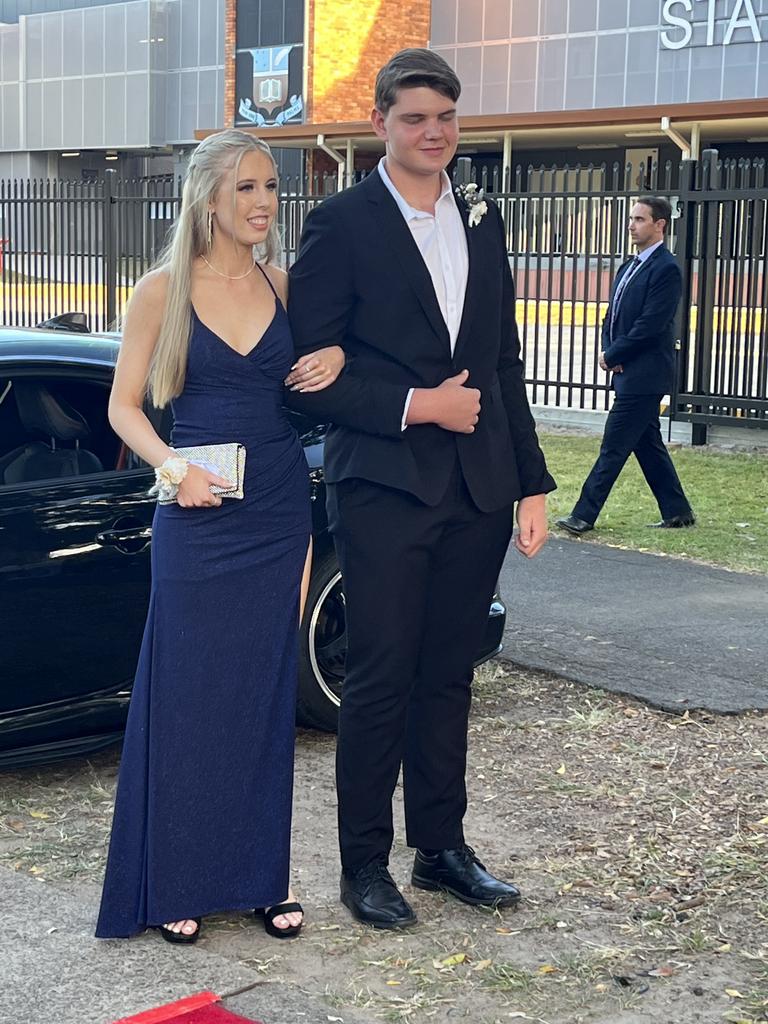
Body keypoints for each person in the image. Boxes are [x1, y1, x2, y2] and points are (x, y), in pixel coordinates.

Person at [286, 49, 555, 929]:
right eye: (414, 118)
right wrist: (416, 405)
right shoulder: (341, 223)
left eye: (445, 116)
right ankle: (363, 864)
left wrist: (532, 484)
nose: (432, 132)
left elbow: (505, 361)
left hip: (478, 490)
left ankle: (440, 848)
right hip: (385, 489)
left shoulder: (483, 217)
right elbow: (310, 373)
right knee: (380, 677)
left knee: (449, 675)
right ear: (379, 125)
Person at [95, 129, 343, 944]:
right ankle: (179, 877)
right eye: (245, 188)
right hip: (196, 518)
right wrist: (174, 472)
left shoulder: (283, 284)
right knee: (192, 696)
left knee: (265, 692)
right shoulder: (161, 292)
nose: (264, 201)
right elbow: (123, 409)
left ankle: (260, 878)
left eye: (270, 186)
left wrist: (334, 352)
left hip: (275, 508)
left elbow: (329, 368)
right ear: (208, 198)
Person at [557, 197, 695, 536]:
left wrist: (615, 355)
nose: (631, 225)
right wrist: (610, 351)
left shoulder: (666, 269)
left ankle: (583, 515)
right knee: (647, 443)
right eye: (631, 219)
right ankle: (678, 511)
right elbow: (612, 315)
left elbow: (651, 325)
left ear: (659, 224)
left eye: (639, 219)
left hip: (646, 374)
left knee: (614, 445)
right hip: (627, 369)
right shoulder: (628, 266)